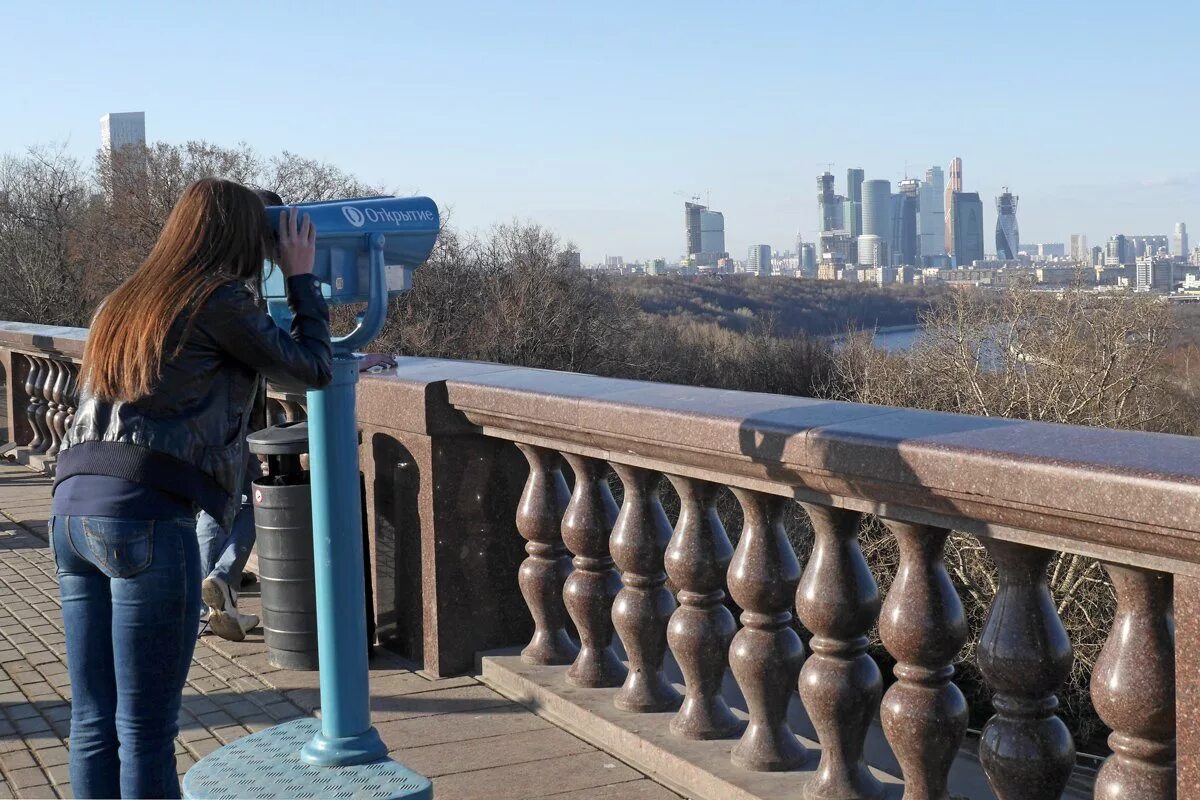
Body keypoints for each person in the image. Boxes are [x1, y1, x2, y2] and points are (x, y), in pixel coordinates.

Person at [51, 178, 332, 799]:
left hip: (71, 511)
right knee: (146, 729)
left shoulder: (123, 300)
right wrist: (303, 277)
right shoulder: (218, 298)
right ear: (241, 237)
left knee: (92, 720)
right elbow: (311, 369)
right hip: (145, 516)